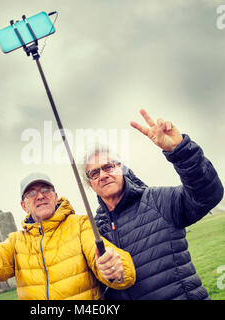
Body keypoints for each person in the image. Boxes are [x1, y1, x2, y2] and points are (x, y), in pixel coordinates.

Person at [82, 109, 224, 300]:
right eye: (94, 173)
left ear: (122, 168)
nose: (103, 175)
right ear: (89, 183)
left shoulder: (157, 200)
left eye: (109, 167)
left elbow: (207, 195)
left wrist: (180, 150)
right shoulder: (93, 230)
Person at [0, 173, 136, 300]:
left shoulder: (80, 224)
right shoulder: (16, 241)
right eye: (31, 193)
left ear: (56, 196)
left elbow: (112, 262)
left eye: (46, 189)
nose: (40, 196)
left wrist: (115, 268)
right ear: (24, 205)